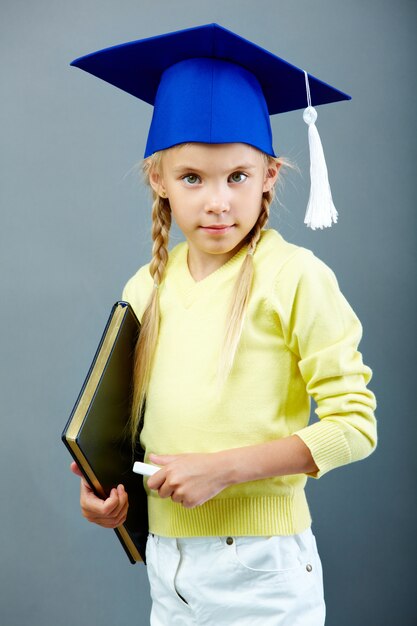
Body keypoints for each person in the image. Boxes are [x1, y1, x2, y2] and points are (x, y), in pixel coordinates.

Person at [70, 24, 377, 625]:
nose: (218, 201)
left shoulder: (294, 277)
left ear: (270, 175)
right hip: (169, 564)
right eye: (192, 178)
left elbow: (356, 428)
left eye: (238, 176)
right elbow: (131, 432)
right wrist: (105, 495)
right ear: (158, 180)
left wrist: (225, 469)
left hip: (261, 569)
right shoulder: (146, 285)